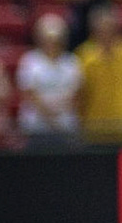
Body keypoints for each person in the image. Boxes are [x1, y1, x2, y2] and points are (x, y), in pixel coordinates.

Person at [75, 2, 122, 145]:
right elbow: (81, 95)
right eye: (101, 29)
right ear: (93, 30)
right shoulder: (84, 56)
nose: (105, 33)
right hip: (95, 129)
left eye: (109, 28)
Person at [15, 12, 82, 140]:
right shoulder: (29, 61)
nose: (51, 43)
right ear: (39, 38)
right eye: (47, 38)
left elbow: (76, 95)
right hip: (35, 126)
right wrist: (49, 114)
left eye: (56, 39)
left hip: (65, 126)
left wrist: (57, 113)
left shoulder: (72, 62)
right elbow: (28, 94)